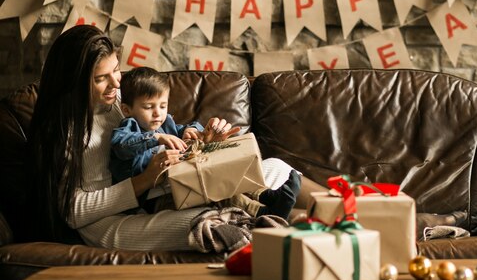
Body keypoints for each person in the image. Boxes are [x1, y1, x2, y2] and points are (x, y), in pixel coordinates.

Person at [29, 25, 306, 251]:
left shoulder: (118, 102)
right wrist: (143, 181)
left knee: (276, 168)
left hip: (153, 195)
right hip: (108, 222)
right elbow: (74, 212)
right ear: (75, 81)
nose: (116, 83)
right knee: (211, 223)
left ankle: (292, 212)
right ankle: (279, 221)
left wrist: (202, 141)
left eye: (116, 69)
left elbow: (162, 135)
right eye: (102, 78)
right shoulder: (65, 130)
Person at [110, 66, 298, 218]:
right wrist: (155, 137)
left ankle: (266, 196)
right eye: (148, 107)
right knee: (215, 193)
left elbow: (183, 129)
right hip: (155, 198)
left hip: (182, 181)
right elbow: (121, 145)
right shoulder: (130, 126)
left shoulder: (165, 123)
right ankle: (263, 212)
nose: (158, 113)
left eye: (163, 105)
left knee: (223, 178)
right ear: (127, 110)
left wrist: (193, 131)